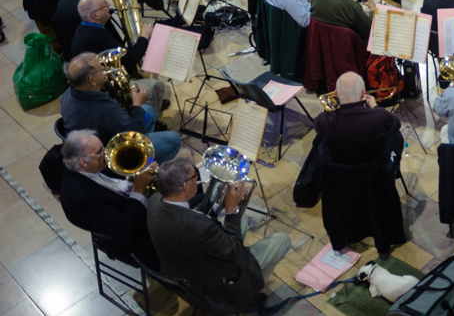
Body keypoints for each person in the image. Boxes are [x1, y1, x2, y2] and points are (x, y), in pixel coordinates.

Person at [147, 158, 292, 311]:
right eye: (194, 178)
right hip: (212, 288)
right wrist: (230, 210)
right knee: (282, 240)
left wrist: (218, 205)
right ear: (184, 187)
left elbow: (189, 216)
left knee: (240, 220)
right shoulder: (200, 228)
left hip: (183, 271)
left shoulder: (154, 200)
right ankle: (249, 297)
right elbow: (234, 251)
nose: (198, 180)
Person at [59, 130, 160, 270]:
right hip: (135, 240)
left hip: (131, 204)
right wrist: (139, 188)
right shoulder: (80, 198)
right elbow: (124, 229)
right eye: (100, 151)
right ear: (83, 162)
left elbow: (116, 183)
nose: (107, 153)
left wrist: (139, 172)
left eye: (103, 146)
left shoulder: (91, 166)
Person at [60, 53, 180, 162]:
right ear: (92, 80)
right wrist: (136, 104)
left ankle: (147, 153)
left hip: (100, 138)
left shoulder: (68, 94)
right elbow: (135, 132)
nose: (104, 69)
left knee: (149, 110)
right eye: (100, 68)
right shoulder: (104, 110)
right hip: (116, 154)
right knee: (174, 139)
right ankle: (145, 169)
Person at [72, 0, 168, 103]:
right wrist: (144, 36)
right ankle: (150, 115)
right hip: (104, 88)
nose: (109, 5)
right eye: (104, 6)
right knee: (156, 86)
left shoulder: (85, 27)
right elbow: (131, 59)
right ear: (96, 15)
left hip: (100, 78)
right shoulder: (96, 37)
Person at [315, 71, 404, 167]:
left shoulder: (322, 121)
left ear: (336, 93)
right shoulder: (381, 116)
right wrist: (375, 107)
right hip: (377, 174)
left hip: (339, 175)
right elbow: (396, 125)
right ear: (363, 92)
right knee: (394, 134)